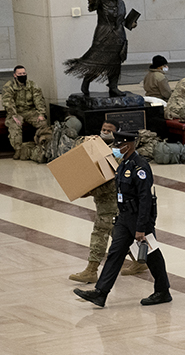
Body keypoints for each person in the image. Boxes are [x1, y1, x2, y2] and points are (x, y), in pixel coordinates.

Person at [73, 131, 172, 307]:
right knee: (115, 253)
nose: (116, 148)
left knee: (152, 255)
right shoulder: (123, 164)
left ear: (129, 145)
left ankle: (162, 291)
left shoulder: (140, 167)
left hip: (139, 219)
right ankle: (101, 293)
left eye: (119, 145)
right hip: (124, 218)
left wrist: (141, 227)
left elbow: (145, 199)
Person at [68, 121, 148, 283]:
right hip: (105, 202)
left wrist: (89, 190)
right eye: (103, 129)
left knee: (100, 232)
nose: (105, 133)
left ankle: (91, 270)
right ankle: (140, 261)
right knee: (120, 235)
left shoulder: (117, 154)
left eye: (109, 131)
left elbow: (112, 181)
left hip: (112, 203)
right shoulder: (97, 148)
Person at [64, 0, 136, 97]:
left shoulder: (121, 3)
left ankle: (113, 86)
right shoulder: (101, 0)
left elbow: (121, 20)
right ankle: (87, 80)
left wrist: (132, 24)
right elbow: (92, 5)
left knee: (115, 62)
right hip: (103, 34)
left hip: (118, 37)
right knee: (99, 60)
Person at [3, 65, 50, 161]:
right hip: (16, 112)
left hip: (30, 111)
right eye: (20, 74)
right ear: (15, 75)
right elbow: (8, 102)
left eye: (24, 73)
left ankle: (43, 145)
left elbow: (39, 100)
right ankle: (18, 150)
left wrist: (41, 114)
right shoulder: (9, 86)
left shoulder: (32, 85)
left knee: (43, 123)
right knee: (14, 126)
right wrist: (13, 115)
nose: (22, 75)